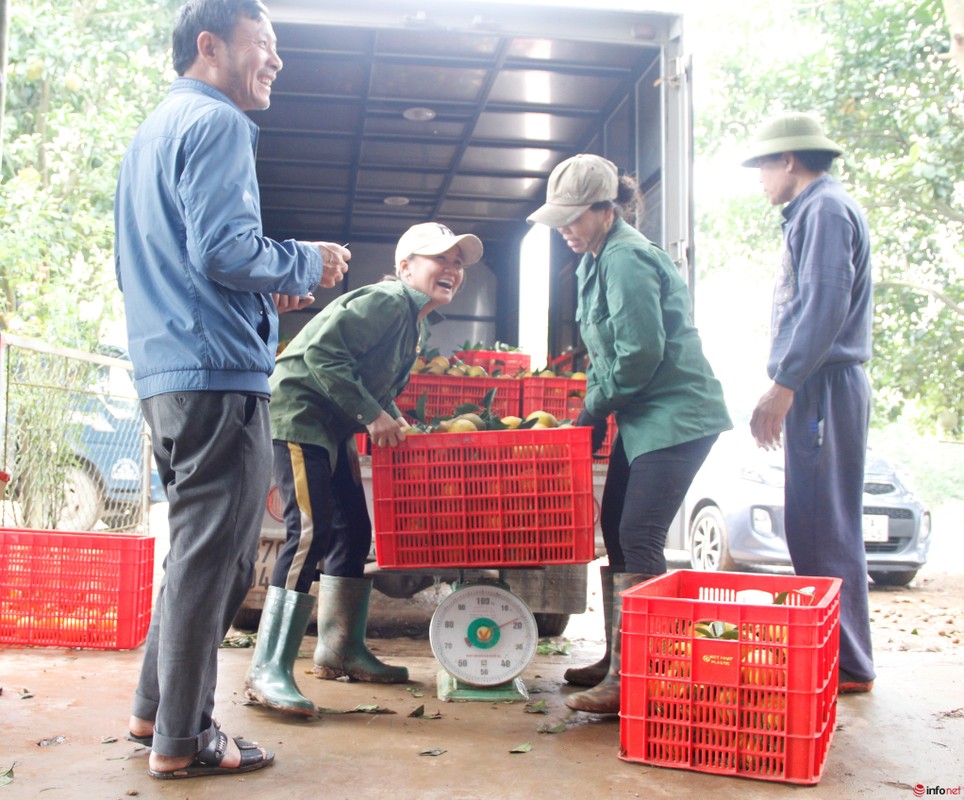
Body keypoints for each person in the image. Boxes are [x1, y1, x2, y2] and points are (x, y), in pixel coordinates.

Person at [114, 0, 351, 780]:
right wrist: (304, 263)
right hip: (214, 375)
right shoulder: (216, 122)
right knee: (215, 562)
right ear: (210, 46)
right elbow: (224, 249)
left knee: (196, 552)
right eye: (265, 43)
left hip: (169, 370)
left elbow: (191, 259)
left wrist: (260, 294)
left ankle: (156, 712)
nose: (277, 59)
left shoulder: (154, 131)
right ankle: (184, 739)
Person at [243, 222, 483, 716]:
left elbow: (369, 376)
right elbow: (321, 354)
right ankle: (267, 668)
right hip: (300, 415)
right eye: (440, 258)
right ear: (405, 267)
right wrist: (373, 416)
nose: (452, 269)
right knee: (310, 532)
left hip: (331, 423)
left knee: (353, 530)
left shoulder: (414, 321)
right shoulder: (387, 300)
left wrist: (392, 415)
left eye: (459, 263)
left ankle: (341, 650)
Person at [527, 154, 732, 714]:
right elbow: (605, 354)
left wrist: (589, 416)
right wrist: (594, 416)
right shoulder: (593, 258)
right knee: (615, 531)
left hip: (677, 416)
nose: (565, 228)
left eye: (574, 217)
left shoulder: (626, 258)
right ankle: (618, 660)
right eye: (559, 219)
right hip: (642, 417)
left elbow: (640, 357)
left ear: (604, 208)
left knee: (639, 535)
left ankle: (641, 676)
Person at [742, 112, 875, 694]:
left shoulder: (823, 209)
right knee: (814, 519)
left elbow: (824, 303)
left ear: (788, 161)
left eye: (763, 167)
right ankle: (841, 655)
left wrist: (785, 383)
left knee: (823, 523)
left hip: (823, 382)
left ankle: (848, 663)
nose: (761, 181)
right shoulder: (816, 210)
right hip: (821, 382)